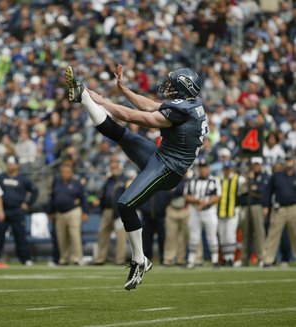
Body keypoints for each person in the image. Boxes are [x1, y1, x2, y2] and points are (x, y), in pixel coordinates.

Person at [65, 63, 207, 290]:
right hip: (161, 156)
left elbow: (138, 116)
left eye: (173, 83)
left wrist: (104, 102)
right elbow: (151, 105)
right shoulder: (190, 104)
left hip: (169, 169)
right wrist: (123, 89)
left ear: (183, 88)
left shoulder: (183, 110)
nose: (168, 86)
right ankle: (84, 98)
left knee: (125, 204)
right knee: (119, 134)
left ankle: (140, 260)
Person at [0, 156, 39, 265]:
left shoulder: (23, 179)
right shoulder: (0, 178)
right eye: (9, 163)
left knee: (20, 236)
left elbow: (35, 190)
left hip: (17, 210)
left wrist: (28, 203)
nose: (10, 166)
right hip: (3, 210)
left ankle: (25, 258)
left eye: (13, 163)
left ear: (17, 165)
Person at [48, 162, 89, 265]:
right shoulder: (56, 182)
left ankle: (77, 258)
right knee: (61, 237)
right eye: (64, 172)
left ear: (71, 173)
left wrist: (85, 212)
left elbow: (83, 198)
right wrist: (50, 211)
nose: (65, 173)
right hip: (59, 213)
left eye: (68, 172)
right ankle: (63, 258)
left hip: (73, 211)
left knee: (74, 235)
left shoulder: (76, 183)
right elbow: (52, 197)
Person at [185, 159, 221, 268]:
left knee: (212, 236)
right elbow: (187, 196)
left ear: (208, 168)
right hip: (195, 211)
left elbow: (217, 196)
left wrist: (205, 203)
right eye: (201, 167)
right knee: (194, 236)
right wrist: (197, 200)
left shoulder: (214, 180)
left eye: (205, 167)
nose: (203, 170)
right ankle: (191, 260)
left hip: (209, 211)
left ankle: (215, 260)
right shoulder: (192, 181)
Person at [92, 159, 128, 265]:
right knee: (102, 233)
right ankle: (100, 258)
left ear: (120, 167)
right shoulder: (109, 180)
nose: (114, 169)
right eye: (112, 167)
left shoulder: (125, 180)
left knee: (121, 236)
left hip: (120, 211)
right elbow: (103, 193)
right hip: (107, 210)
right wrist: (100, 202)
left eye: (115, 167)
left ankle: (120, 259)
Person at [262, 156, 296, 267]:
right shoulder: (277, 176)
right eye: (286, 160)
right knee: (273, 234)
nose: (288, 162)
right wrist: (266, 206)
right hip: (279, 209)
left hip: (293, 208)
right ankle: (268, 260)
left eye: (290, 160)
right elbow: (268, 191)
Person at [240, 157, 270, 266]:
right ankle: (244, 259)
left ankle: (262, 257)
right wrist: (251, 183)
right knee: (246, 233)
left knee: (259, 233)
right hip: (247, 206)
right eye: (254, 165)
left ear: (261, 165)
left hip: (258, 206)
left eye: (258, 165)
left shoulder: (265, 177)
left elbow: (263, 192)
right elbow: (242, 192)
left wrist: (253, 187)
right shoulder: (247, 177)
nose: (256, 167)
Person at [217, 160, 246, 266]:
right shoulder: (219, 179)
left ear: (232, 169)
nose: (227, 171)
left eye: (228, 169)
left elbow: (245, 185)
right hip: (220, 211)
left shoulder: (238, 178)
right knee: (222, 236)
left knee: (230, 235)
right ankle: (225, 258)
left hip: (232, 211)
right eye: (225, 169)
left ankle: (230, 258)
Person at [139, 190, 171, 264]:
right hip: (146, 217)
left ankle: (164, 258)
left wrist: (162, 207)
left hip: (161, 216)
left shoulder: (163, 186)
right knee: (146, 240)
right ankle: (146, 260)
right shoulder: (145, 187)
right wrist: (144, 209)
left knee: (162, 239)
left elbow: (168, 197)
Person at [163, 179, 190, 267]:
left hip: (184, 208)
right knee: (170, 236)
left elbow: (183, 190)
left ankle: (180, 258)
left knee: (183, 236)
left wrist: (175, 190)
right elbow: (165, 193)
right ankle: (169, 258)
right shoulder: (170, 177)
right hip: (172, 208)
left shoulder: (187, 179)